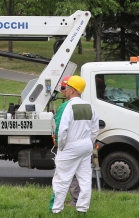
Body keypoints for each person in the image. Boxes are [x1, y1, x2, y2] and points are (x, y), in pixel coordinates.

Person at [50, 75, 99, 214]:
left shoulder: (68, 107)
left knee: (62, 179)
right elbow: (95, 129)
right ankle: (82, 208)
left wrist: (62, 146)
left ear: (72, 90)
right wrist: (89, 142)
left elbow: (62, 129)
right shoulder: (89, 106)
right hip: (86, 145)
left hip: (70, 146)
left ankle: (56, 209)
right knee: (84, 178)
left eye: (67, 88)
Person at [52, 76, 81, 208]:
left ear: (70, 89)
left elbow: (59, 127)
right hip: (82, 144)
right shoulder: (84, 105)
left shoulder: (65, 106)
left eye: (63, 88)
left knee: (63, 175)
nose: (62, 92)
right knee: (79, 174)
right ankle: (80, 201)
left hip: (68, 145)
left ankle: (60, 204)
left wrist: (59, 143)